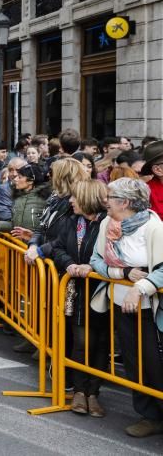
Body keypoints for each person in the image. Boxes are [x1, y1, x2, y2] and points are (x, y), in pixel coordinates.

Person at [90, 178, 163, 438]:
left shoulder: (154, 227)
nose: (104, 201)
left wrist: (141, 286)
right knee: (134, 363)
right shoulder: (107, 224)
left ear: (126, 202)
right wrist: (122, 272)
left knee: (154, 364)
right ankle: (149, 415)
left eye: (109, 197)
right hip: (120, 305)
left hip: (149, 310)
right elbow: (95, 259)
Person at [50, 179, 109, 418]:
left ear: (87, 198)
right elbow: (58, 248)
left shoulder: (107, 223)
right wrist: (71, 264)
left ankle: (93, 393)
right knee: (81, 340)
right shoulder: (73, 221)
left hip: (101, 292)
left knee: (101, 343)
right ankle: (79, 390)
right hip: (76, 290)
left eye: (75, 197)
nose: (71, 201)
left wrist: (92, 268)